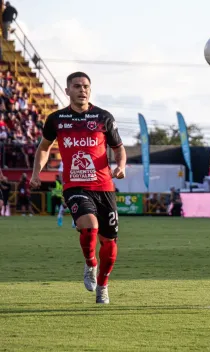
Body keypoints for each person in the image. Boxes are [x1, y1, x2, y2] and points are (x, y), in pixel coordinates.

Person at [30, 72, 127, 304]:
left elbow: (118, 147)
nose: (82, 90)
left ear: (90, 90)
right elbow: (44, 147)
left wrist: (121, 166)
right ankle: (90, 264)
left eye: (85, 86)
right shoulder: (56, 119)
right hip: (75, 186)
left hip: (104, 186)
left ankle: (103, 286)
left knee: (110, 244)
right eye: (77, 86)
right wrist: (36, 172)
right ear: (67, 91)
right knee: (89, 228)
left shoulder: (103, 117)